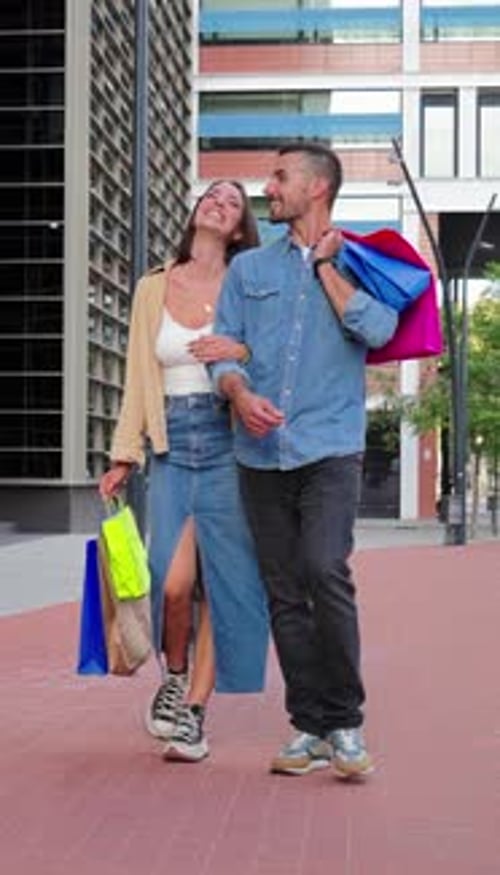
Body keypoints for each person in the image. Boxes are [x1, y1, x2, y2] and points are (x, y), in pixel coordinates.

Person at [210, 143, 399, 780]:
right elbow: (224, 351)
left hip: (329, 448)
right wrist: (238, 392)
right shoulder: (247, 269)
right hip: (259, 452)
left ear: (317, 188)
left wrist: (325, 269)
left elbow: (378, 331)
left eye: (281, 177)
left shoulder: (364, 259)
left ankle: (345, 722)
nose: (270, 187)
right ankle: (309, 726)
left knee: (324, 569)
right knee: (285, 594)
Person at [99, 180, 269, 762]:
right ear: (197, 210)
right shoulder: (152, 286)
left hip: (229, 443)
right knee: (170, 584)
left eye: (234, 201)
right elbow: (135, 377)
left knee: (221, 584)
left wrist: (236, 352)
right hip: (172, 444)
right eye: (212, 195)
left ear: (241, 226)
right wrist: (125, 453)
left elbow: (265, 352)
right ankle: (174, 674)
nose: (220, 201)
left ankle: (194, 712)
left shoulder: (245, 286)